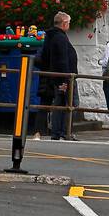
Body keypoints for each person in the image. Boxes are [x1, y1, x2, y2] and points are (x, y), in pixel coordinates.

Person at [35, 11, 78, 142]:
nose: (69, 25)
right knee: (70, 104)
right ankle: (63, 132)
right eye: (69, 23)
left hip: (52, 77)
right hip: (62, 77)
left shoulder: (51, 36)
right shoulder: (60, 37)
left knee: (56, 104)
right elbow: (62, 60)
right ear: (64, 23)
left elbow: (43, 59)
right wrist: (64, 80)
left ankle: (58, 133)